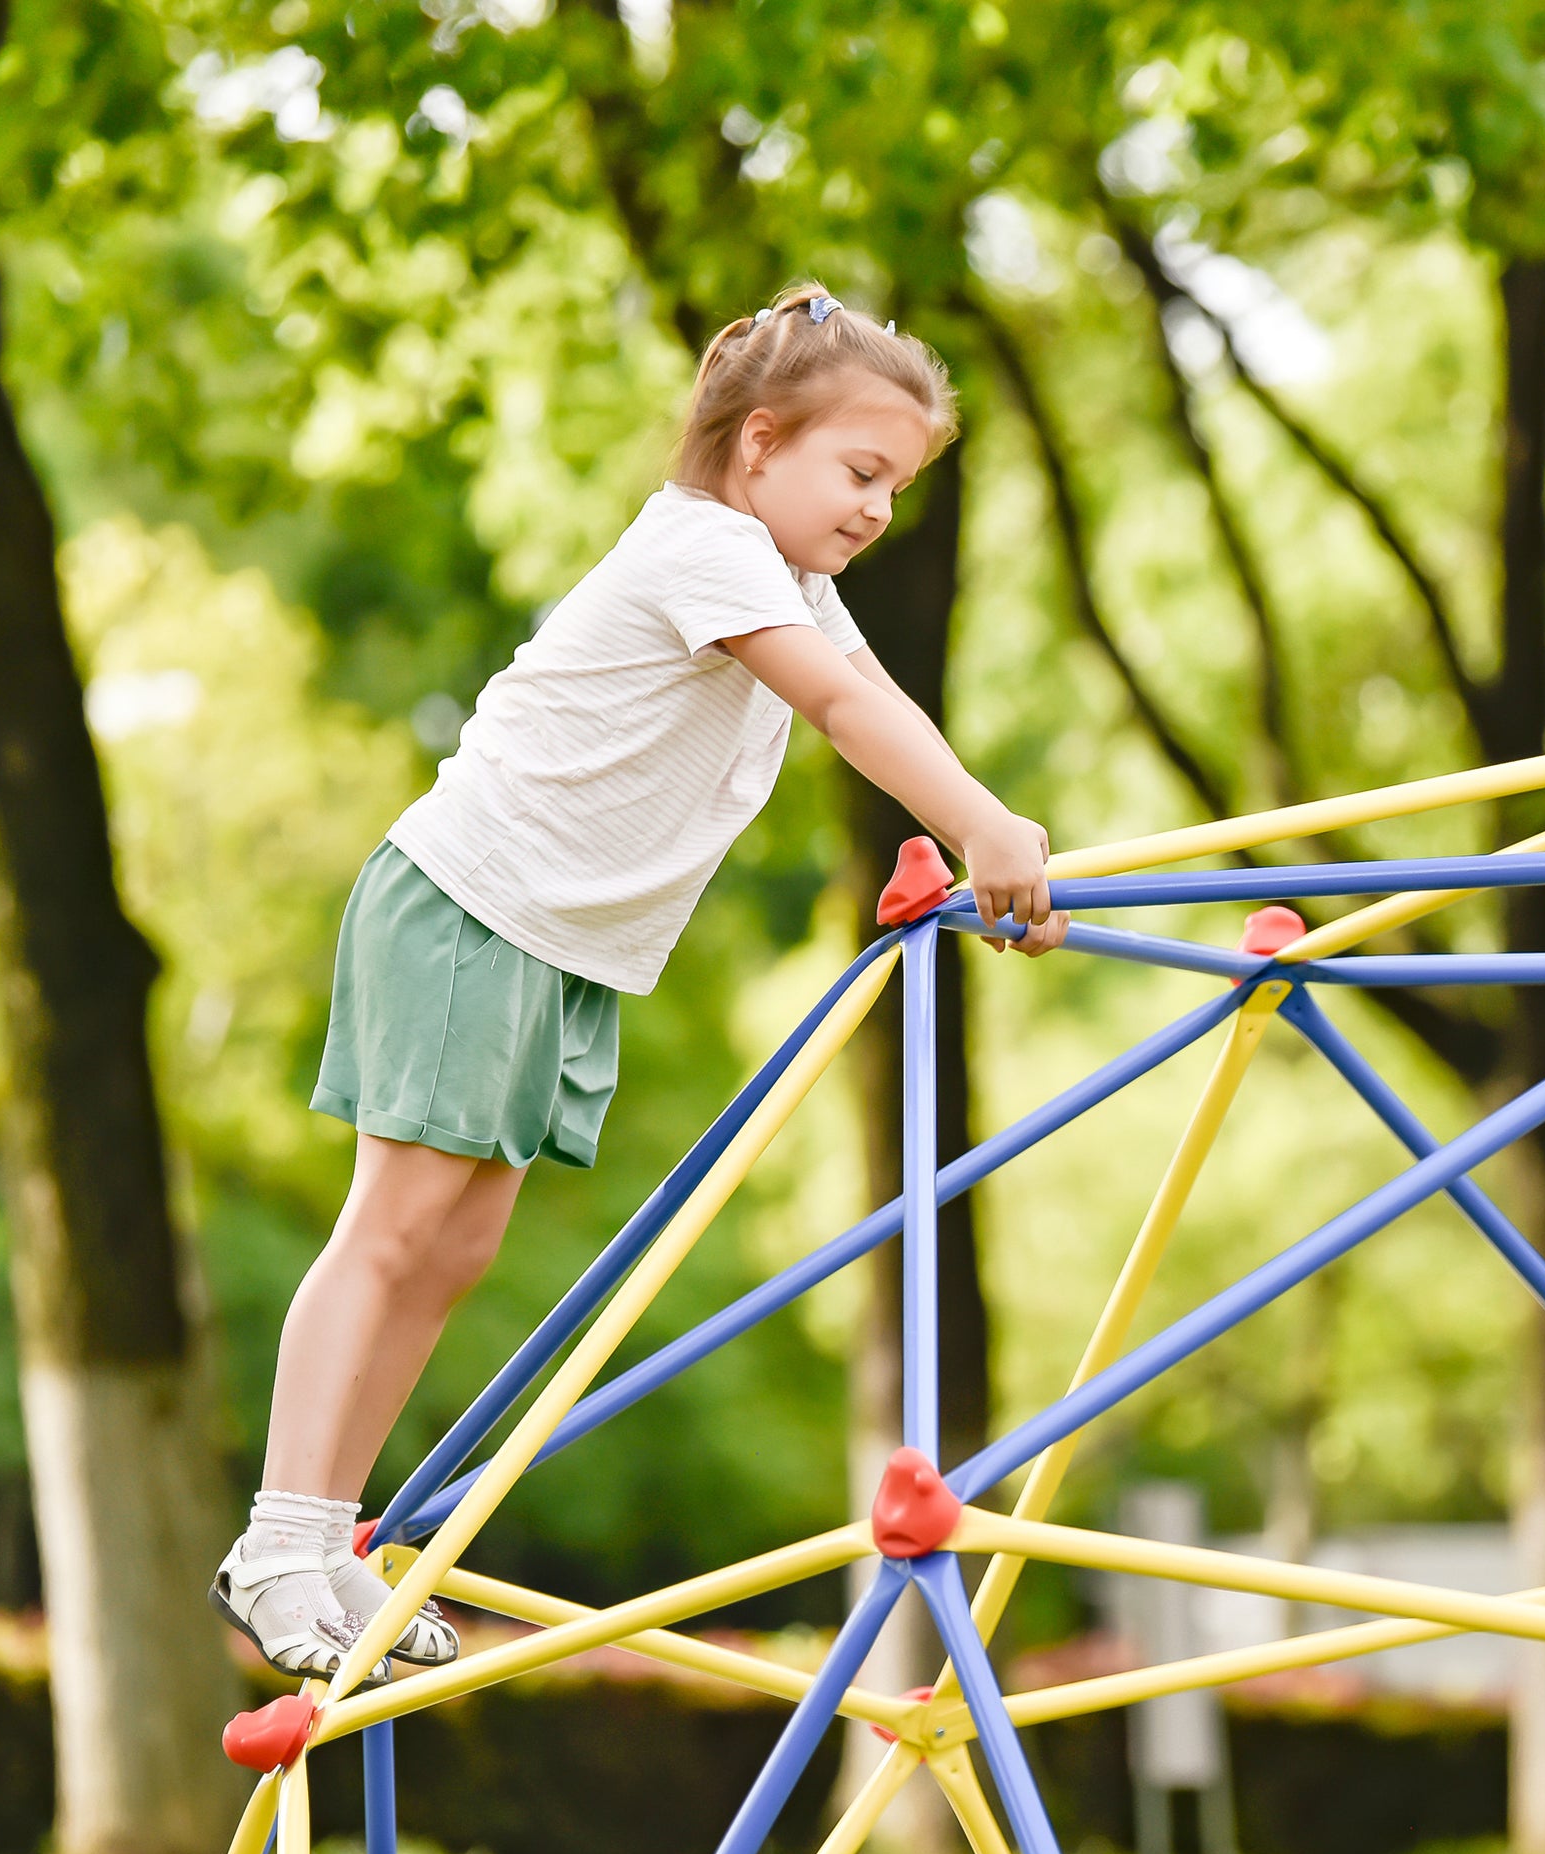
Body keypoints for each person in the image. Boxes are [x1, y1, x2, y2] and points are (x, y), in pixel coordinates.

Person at [211, 286, 1070, 1683]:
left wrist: (993, 835)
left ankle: (330, 1543)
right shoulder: (705, 547)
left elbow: (876, 691)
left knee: (456, 1248)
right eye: (861, 473)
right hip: (471, 902)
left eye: (897, 489)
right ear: (758, 443)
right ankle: (276, 1542)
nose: (877, 511)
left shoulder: (791, 580)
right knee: (395, 1226)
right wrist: (980, 822)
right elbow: (842, 706)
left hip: (555, 943)